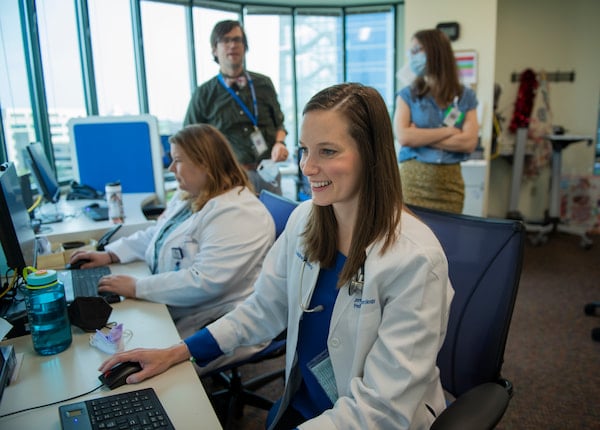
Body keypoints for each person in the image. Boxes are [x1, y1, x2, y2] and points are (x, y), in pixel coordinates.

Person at [99, 83, 454, 429]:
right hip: (300, 408)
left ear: (372, 155)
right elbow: (262, 309)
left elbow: (381, 410)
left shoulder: (415, 260)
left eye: (327, 151)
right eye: (303, 149)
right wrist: (179, 351)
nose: (307, 166)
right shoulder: (307, 220)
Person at [69, 124, 275, 356]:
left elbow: (205, 281)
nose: (171, 168)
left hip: (215, 321)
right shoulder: (192, 195)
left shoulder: (239, 214)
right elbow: (158, 234)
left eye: (178, 160)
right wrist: (110, 254)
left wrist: (138, 287)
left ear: (205, 163)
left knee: (133, 366)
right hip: (177, 306)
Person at [183, 19, 288, 195]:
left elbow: (280, 124)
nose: (232, 45)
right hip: (230, 178)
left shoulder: (264, 84)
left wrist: (280, 143)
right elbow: (189, 140)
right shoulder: (204, 94)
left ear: (245, 47)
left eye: (237, 40)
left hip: (268, 173)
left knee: (277, 221)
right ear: (214, 49)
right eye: (225, 40)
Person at [394, 28, 479, 214]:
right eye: (411, 51)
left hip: (450, 186)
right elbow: (404, 137)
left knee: (448, 241)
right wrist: (449, 132)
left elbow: (469, 142)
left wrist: (421, 136)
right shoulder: (407, 95)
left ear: (436, 52)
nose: (412, 55)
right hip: (412, 184)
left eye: (417, 50)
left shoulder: (466, 96)